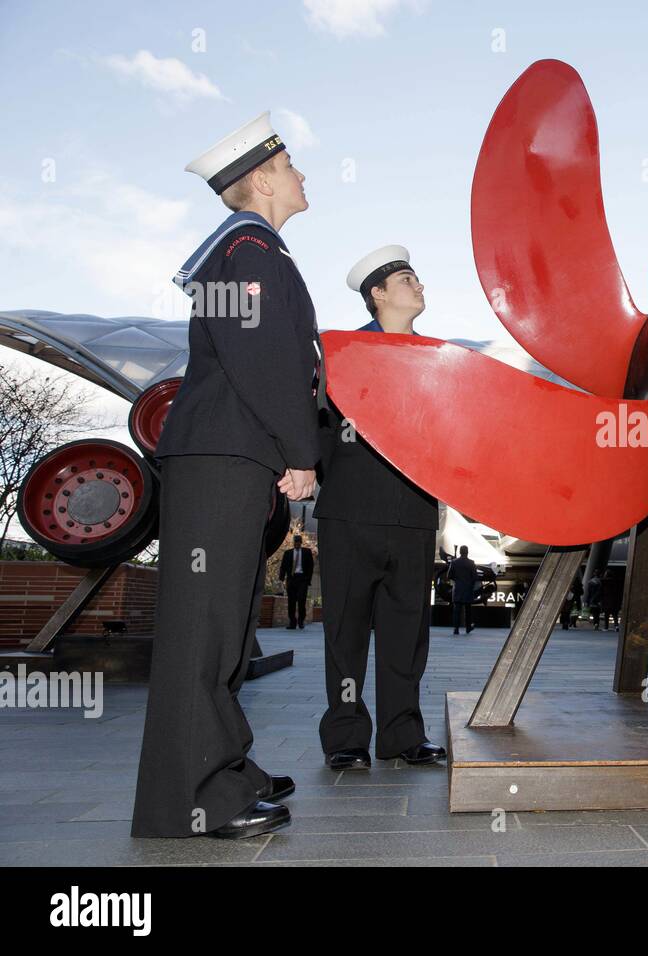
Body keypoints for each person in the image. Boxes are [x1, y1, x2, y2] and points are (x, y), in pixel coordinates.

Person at [132, 112, 319, 839]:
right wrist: (301, 452)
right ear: (265, 178)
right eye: (293, 165)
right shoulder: (249, 251)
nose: (303, 175)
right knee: (202, 631)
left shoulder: (249, 251)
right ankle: (191, 797)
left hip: (229, 456)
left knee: (225, 628)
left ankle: (223, 770)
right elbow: (265, 361)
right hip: (224, 454)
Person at [315, 245, 444, 770]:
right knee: (345, 632)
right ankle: (346, 738)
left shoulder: (437, 355)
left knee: (406, 632)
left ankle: (401, 735)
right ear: (379, 293)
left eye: (418, 279)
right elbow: (318, 428)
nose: (420, 287)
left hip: (413, 514)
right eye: (409, 279)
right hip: (350, 512)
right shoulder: (344, 352)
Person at [278, 533, 315, 628]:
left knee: (302, 600)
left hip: (302, 579)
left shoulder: (307, 552)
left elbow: (311, 567)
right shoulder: (288, 553)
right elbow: (283, 567)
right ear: (293, 543)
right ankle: (292, 622)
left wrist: (308, 580)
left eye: (298, 542)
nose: (297, 544)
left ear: (301, 543)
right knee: (291, 601)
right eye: (295, 542)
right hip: (291, 579)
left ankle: (301, 620)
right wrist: (281, 579)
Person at [447, 546, 478, 635]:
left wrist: (457, 579)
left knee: (457, 610)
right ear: (467, 552)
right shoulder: (471, 563)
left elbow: (449, 575)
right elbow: (475, 577)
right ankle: (468, 627)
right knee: (468, 610)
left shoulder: (454, 562)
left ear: (460, 552)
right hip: (468, 589)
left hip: (457, 589)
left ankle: (456, 629)